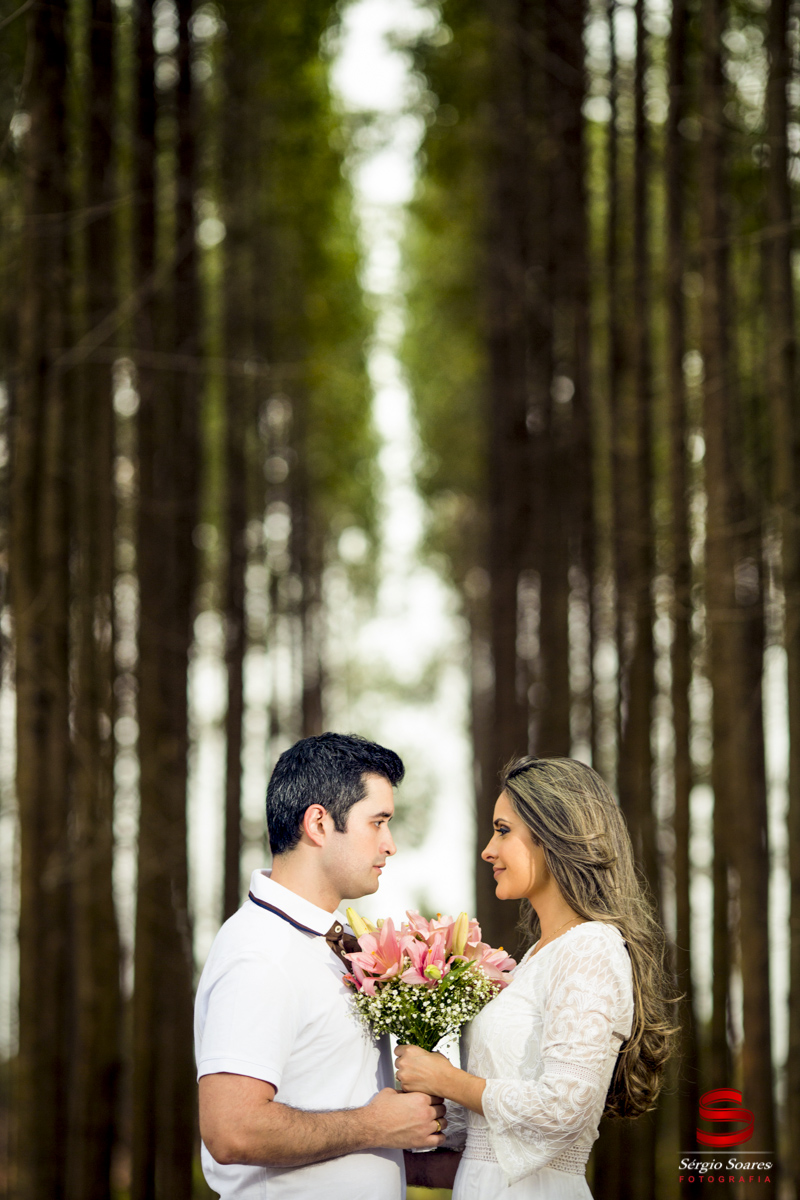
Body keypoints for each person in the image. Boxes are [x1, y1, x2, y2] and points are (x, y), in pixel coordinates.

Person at [394, 756, 677, 1199]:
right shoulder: (534, 960)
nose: (488, 849)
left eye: (503, 830)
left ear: (553, 836)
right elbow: (488, 1126)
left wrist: (449, 1081)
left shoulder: (591, 948)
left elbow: (568, 1106)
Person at [195, 732, 447, 1200]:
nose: (389, 844)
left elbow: (344, 1119)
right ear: (318, 823)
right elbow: (232, 1130)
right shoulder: (262, 951)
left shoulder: (325, 945)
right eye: (378, 822)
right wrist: (375, 1125)